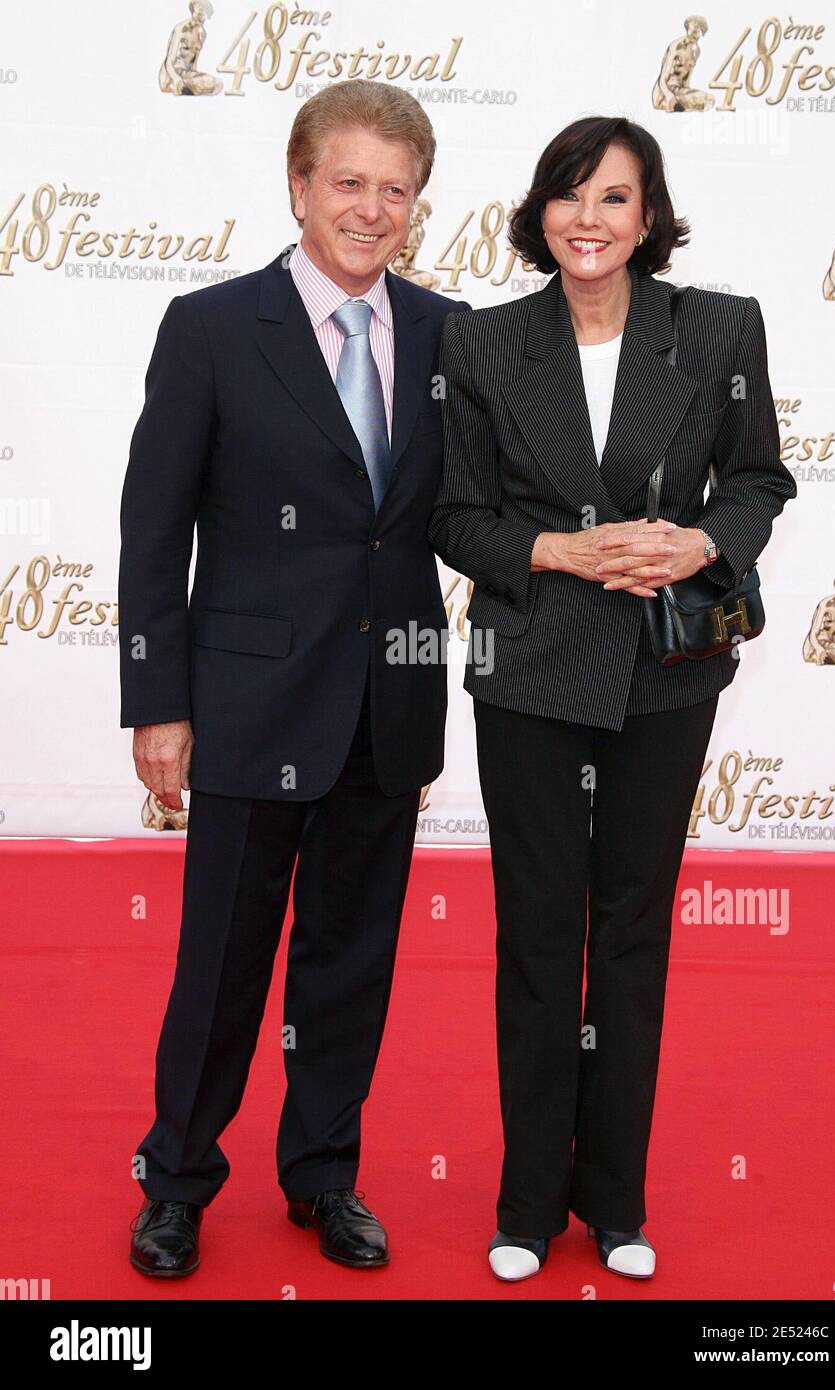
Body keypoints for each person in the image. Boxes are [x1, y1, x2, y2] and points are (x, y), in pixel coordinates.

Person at [428, 115, 796, 1282]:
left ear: (649, 218)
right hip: (532, 668)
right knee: (538, 934)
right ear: (543, 214)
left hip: (664, 668)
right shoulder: (482, 346)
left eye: (616, 198)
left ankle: (617, 1201)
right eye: (570, 196)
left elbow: (757, 477)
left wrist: (699, 543)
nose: (590, 219)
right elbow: (455, 518)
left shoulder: (720, 328)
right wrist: (561, 553)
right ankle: (527, 1203)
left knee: (631, 930)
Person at [120, 79, 468, 1276]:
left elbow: (461, 517)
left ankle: (323, 1172)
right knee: (218, 961)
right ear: (299, 184)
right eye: (350, 182)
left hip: (388, 703)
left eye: (397, 190)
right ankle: (176, 1180)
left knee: (349, 956)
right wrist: (157, 701)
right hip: (246, 703)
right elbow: (154, 529)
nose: (372, 210)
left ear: (418, 206)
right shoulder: (213, 327)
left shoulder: (446, 335)